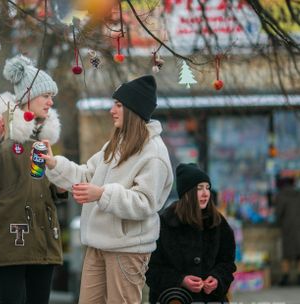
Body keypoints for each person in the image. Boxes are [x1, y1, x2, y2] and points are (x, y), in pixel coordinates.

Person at [42, 75, 173, 303]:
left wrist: (102, 194)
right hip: (97, 245)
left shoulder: (154, 154)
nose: (112, 110)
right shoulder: (116, 145)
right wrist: (54, 164)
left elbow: (145, 203)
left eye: (119, 105)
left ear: (134, 110)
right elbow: (85, 175)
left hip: (128, 250)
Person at [0, 55, 63, 304]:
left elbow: (46, 187)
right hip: (11, 239)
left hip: (44, 242)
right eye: (46, 95)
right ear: (28, 97)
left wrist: (61, 187)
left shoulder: (45, 140)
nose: (51, 102)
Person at [146, 163, 236, 303]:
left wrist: (217, 279)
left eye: (208, 188)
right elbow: (151, 269)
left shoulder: (218, 222)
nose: (206, 193)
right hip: (173, 300)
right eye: (199, 188)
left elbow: (227, 263)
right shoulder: (165, 223)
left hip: (210, 300)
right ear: (187, 193)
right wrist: (180, 281)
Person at [275, 175, 300, 286]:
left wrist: (278, 222)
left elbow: (278, 214)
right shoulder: (298, 194)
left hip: (287, 228)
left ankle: (285, 277)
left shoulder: (281, 195)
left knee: (286, 254)